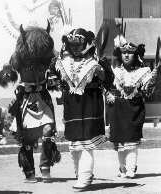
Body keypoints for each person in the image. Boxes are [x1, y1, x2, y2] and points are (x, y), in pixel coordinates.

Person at [0, 23, 61, 183]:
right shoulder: (18, 57)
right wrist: (7, 75)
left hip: (42, 98)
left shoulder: (49, 58)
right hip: (25, 98)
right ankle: (29, 172)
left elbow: (60, 70)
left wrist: (57, 80)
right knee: (27, 139)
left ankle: (45, 166)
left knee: (48, 131)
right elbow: (8, 73)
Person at [51, 28, 114, 189]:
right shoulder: (62, 62)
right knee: (74, 145)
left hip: (90, 106)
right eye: (72, 45)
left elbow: (109, 81)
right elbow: (53, 80)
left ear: (87, 44)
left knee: (86, 144)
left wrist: (102, 72)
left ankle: (84, 178)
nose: (75, 48)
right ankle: (81, 174)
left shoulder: (96, 62)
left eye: (79, 45)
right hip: (72, 107)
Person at [106, 37, 161, 179]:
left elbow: (147, 92)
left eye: (130, 52)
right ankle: (123, 169)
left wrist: (153, 78)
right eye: (123, 52)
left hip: (134, 110)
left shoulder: (143, 72)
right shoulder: (115, 71)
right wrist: (109, 95)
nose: (126, 55)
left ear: (135, 55)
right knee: (119, 141)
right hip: (117, 109)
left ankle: (131, 169)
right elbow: (108, 88)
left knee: (131, 140)